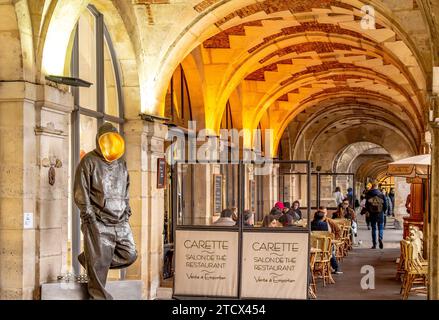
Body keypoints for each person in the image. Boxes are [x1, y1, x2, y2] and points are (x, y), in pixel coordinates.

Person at [74, 122, 137, 300]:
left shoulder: (121, 164)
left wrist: (126, 213)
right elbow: (81, 191)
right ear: (99, 141)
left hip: (120, 220)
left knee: (129, 254)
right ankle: (100, 296)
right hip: (98, 221)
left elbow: (126, 190)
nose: (110, 143)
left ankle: (90, 261)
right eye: (106, 140)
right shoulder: (89, 161)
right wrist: (90, 217)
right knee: (98, 274)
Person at [365, 183, 388, 249]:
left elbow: (366, 205)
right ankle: (380, 238)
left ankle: (374, 244)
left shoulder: (368, 194)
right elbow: (385, 205)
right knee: (380, 227)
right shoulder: (381, 194)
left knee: (373, 229)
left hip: (372, 214)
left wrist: (368, 211)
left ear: (372, 187)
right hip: (380, 213)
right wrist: (383, 211)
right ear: (377, 187)